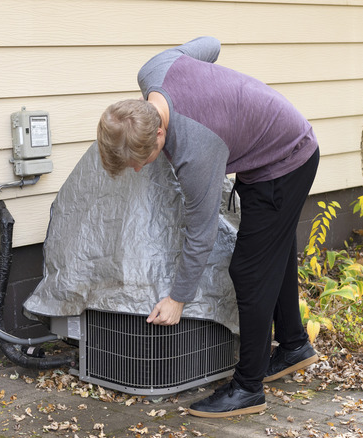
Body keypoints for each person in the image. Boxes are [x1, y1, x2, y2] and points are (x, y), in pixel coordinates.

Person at [96, 36, 320, 418]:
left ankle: (248, 387)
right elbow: (210, 46)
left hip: (287, 159)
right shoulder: (155, 70)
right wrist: (219, 99)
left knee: (249, 270)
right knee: (272, 253)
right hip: (271, 144)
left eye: (142, 161)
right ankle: (294, 345)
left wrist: (177, 299)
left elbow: (201, 232)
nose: (138, 169)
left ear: (161, 135)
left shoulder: (197, 149)